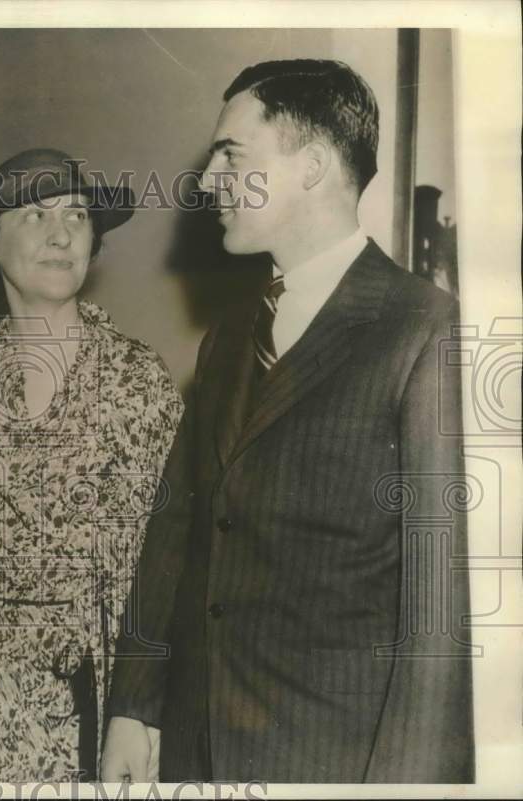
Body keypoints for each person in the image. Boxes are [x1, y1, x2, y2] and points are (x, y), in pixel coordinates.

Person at [102, 59, 474, 783]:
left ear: (310, 166)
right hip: (196, 752)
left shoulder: (426, 330)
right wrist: (135, 704)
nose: (207, 180)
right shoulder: (228, 335)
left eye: (231, 155)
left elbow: (440, 615)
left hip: (333, 762)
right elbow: (177, 528)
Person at [0, 149, 184, 781]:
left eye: (77, 215)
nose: (62, 233)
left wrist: (144, 713)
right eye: (34, 216)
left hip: (98, 699)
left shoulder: (137, 378)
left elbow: (171, 562)